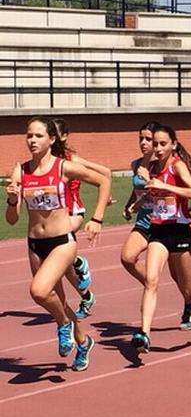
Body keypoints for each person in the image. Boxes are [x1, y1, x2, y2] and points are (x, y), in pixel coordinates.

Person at [5, 116, 111, 371]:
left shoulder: (63, 168)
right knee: (57, 302)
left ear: (52, 139)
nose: (32, 140)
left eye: (38, 135)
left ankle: (64, 325)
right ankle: (83, 342)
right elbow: (11, 220)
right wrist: (11, 200)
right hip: (35, 244)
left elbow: (104, 181)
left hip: (62, 242)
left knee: (39, 291)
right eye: (29, 135)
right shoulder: (21, 171)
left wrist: (96, 218)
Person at [130, 124, 191, 354]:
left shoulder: (177, 166)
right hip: (159, 231)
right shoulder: (150, 168)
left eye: (163, 144)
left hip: (180, 232)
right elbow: (154, 197)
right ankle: (144, 333)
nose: (158, 148)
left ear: (173, 144)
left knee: (186, 288)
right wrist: (137, 203)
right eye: (155, 144)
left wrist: (165, 185)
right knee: (151, 280)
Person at [52, 118, 112, 320]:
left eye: (55, 133)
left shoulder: (72, 161)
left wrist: (105, 197)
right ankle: (86, 296)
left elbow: (105, 173)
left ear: (64, 136)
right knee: (64, 268)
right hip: (54, 216)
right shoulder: (45, 161)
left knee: (62, 249)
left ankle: (80, 262)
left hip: (73, 212)